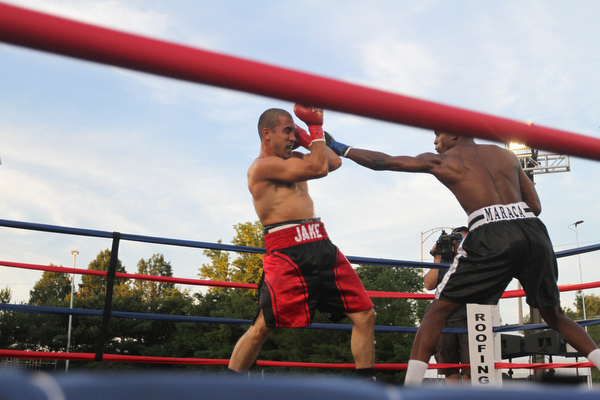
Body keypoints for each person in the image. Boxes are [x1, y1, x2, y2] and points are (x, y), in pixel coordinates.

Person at [324, 130, 600, 385]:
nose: (434, 143)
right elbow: (535, 207)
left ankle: (410, 390)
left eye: (437, 135)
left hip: (490, 232)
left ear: (453, 134)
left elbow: (381, 161)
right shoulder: (506, 155)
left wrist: (338, 146)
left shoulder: (445, 161)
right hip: (534, 233)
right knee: (555, 316)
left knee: (435, 313)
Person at [227, 106, 376, 380]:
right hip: (287, 251)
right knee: (263, 326)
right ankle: (229, 388)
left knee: (365, 315)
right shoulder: (261, 167)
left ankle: (368, 387)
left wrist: (307, 134)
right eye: (288, 131)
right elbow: (319, 167)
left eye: (294, 132)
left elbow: (334, 162)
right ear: (267, 134)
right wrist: (317, 129)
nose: (293, 138)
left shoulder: (296, 158)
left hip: (321, 243)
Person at [424, 227, 470, 383]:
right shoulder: (443, 260)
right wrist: (437, 258)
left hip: (469, 318)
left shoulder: (474, 259)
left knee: (470, 368)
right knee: (449, 368)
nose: (460, 242)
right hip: (445, 319)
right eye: (457, 238)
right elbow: (429, 284)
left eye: (464, 238)